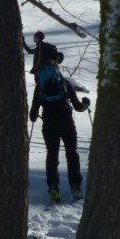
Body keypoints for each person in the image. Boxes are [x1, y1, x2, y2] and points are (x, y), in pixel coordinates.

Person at [29, 44, 90, 202]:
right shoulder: (64, 82)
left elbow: (33, 114)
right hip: (66, 122)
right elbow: (78, 107)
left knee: (52, 154)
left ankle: (54, 188)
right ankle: (76, 186)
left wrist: (36, 114)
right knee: (72, 154)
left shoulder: (40, 85)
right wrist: (86, 104)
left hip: (49, 124)